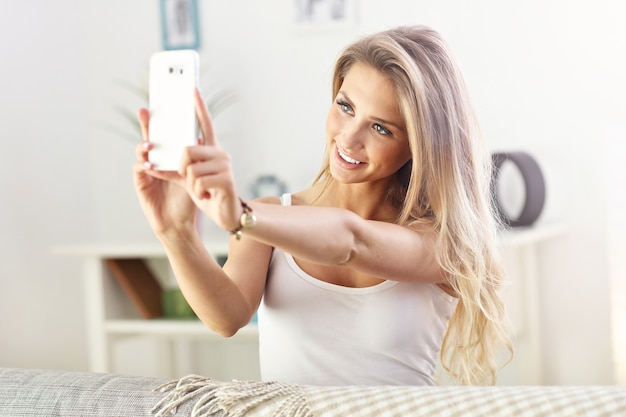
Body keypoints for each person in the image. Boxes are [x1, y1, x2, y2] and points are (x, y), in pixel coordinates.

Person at [133, 25, 512, 386]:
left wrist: (241, 214)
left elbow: (351, 241)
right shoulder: (267, 217)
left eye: (381, 128)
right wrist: (175, 232)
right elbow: (226, 319)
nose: (348, 137)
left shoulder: (441, 239)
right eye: (345, 106)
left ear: (419, 146)